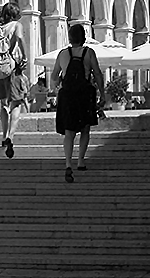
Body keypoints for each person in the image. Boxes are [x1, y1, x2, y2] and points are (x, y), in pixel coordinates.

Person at [50, 23, 105, 183]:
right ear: (84, 37)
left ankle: (68, 163)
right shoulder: (89, 53)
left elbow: (54, 76)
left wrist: (57, 89)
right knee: (85, 128)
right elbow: (98, 75)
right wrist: (102, 94)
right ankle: (81, 160)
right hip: (84, 94)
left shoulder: (62, 54)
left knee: (69, 132)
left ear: (70, 37)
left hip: (67, 95)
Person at [0, 2, 28, 159]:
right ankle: (10, 135)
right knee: (15, 103)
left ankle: (3, 136)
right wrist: (25, 56)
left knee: (3, 104)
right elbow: (20, 39)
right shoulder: (16, 25)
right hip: (12, 67)